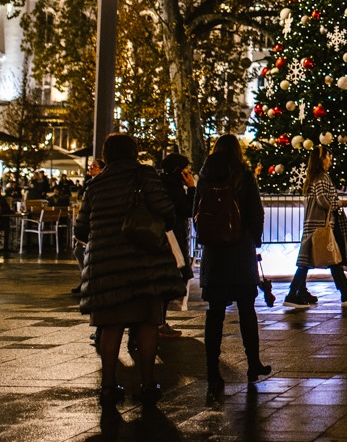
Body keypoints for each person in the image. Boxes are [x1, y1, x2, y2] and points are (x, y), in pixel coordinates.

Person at [74, 133, 185, 408]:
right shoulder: (145, 176)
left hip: (106, 269)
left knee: (110, 327)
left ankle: (109, 386)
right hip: (143, 265)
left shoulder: (95, 185)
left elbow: (81, 230)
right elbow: (167, 212)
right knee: (147, 323)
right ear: (134, 152)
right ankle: (147, 384)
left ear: (107, 155)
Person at [196, 133, 271, 404]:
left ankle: (213, 372)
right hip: (240, 249)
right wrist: (254, 238)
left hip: (215, 252)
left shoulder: (205, 175)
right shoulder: (243, 174)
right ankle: (253, 363)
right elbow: (256, 211)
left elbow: (198, 211)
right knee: (246, 309)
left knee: (214, 313)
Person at [284, 149, 347, 309]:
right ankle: (295, 293)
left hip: (316, 225)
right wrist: (339, 203)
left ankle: (299, 292)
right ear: (321, 159)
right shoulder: (322, 177)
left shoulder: (314, 177)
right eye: (328, 157)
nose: (330, 160)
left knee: (320, 259)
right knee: (329, 258)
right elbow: (323, 201)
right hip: (321, 225)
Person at [158, 153, 197, 337]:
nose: (188, 172)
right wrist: (191, 188)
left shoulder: (163, 183)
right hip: (172, 238)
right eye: (185, 168)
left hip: (168, 237)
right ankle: (159, 323)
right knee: (170, 279)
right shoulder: (173, 187)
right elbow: (188, 210)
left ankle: (157, 323)